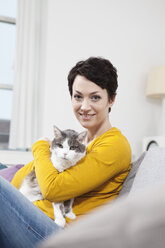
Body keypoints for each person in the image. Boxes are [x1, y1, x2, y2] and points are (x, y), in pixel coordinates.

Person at [0, 57, 131, 248]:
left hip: (59, 232)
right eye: (78, 97)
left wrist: (40, 146)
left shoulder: (114, 145)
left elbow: (53, 189)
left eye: (95, 97)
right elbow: (24, 177)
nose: (84, 107)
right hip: (34, 214)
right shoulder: (79, 143)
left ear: (111, 99)